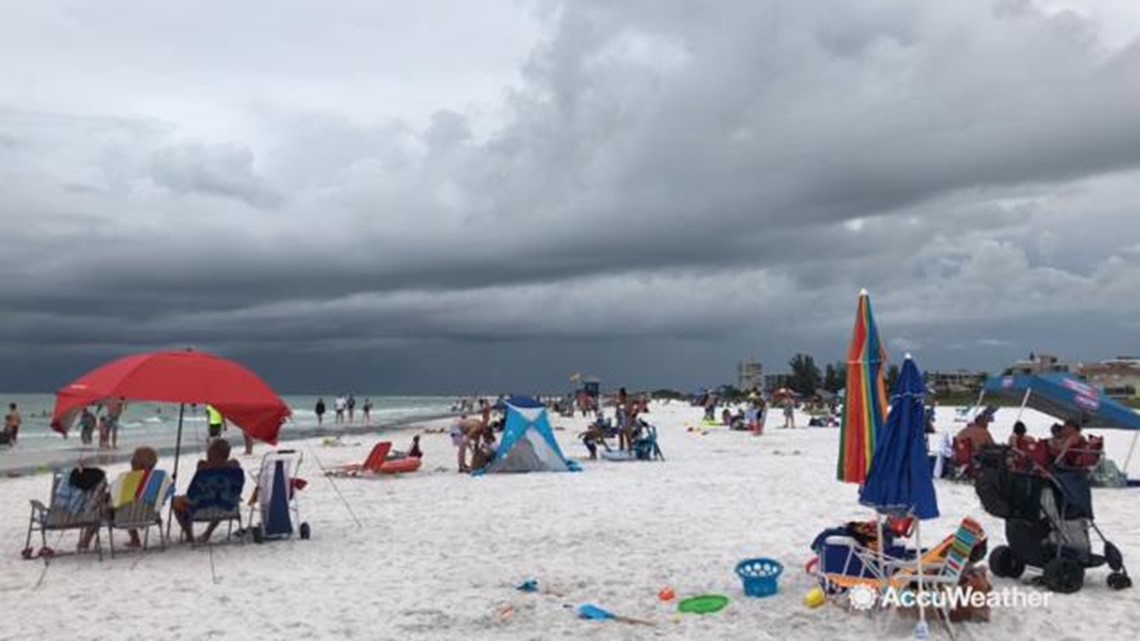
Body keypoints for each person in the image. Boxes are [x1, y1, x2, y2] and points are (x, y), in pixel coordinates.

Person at [173, 438, 241, 544]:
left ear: (212, 453)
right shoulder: (235, 470)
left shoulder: (203, 469)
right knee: (220, 497)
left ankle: (189, 536)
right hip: (227, 507)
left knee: (175, 501)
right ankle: (207, 533)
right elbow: (237, 490)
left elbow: (192, 493)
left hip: (201, 509)